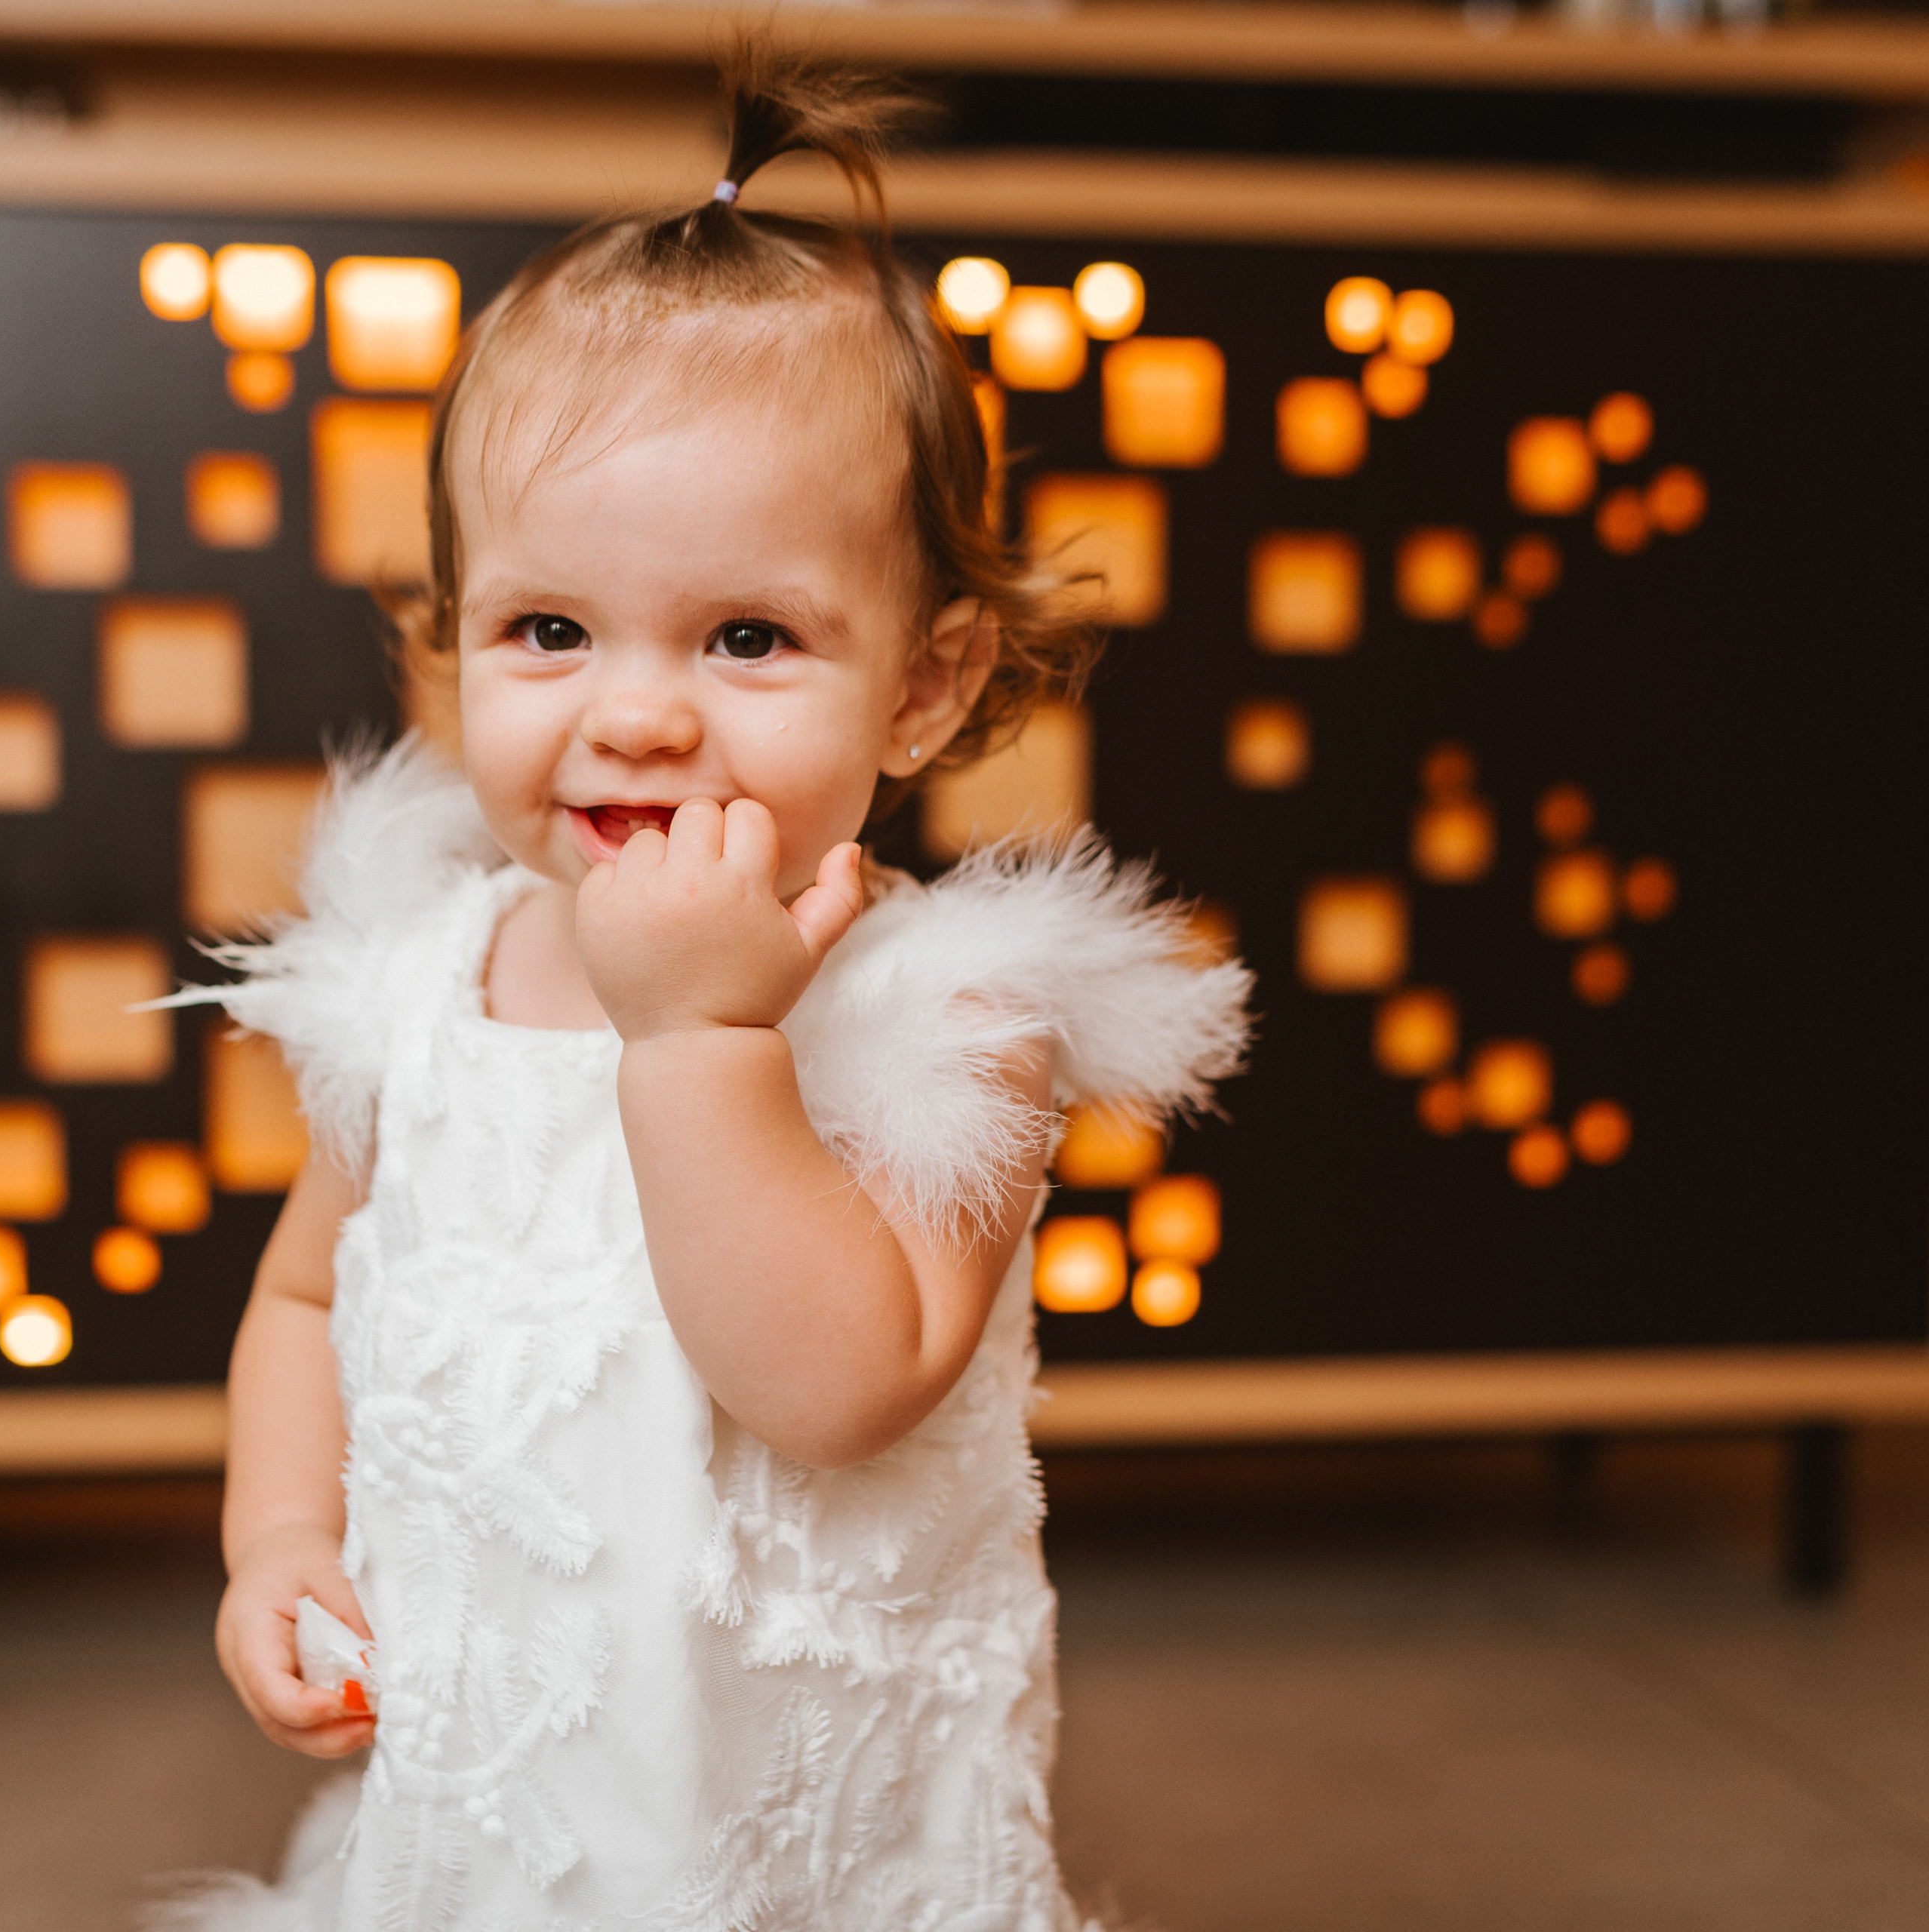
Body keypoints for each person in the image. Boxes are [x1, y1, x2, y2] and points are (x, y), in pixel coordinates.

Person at [158, 48, 1251, 1932]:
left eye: (748, 635)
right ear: (453, 644)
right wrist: (279, 1536)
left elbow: (840, 1387)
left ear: (923, 684)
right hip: (501, 1802)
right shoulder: (425, 981)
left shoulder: (950, 1018)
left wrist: (698, 1037)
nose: (640, 712)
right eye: (550, 629)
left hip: (803, 1844)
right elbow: (307, 1290)